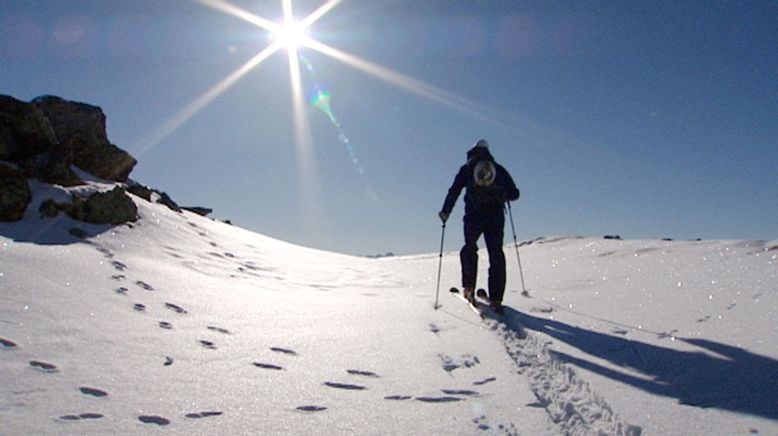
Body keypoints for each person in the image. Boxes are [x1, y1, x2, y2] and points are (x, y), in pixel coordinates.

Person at [439, 139, 519, 313]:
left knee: (469, 248)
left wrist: (446, 212)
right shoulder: (498, 169)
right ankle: (496, 298)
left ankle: (469, 288)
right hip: (495, 217)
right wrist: (502, 195)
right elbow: (515, 193)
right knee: (496, 253)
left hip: (473, 216)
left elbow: (454, 191)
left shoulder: (467, 168)